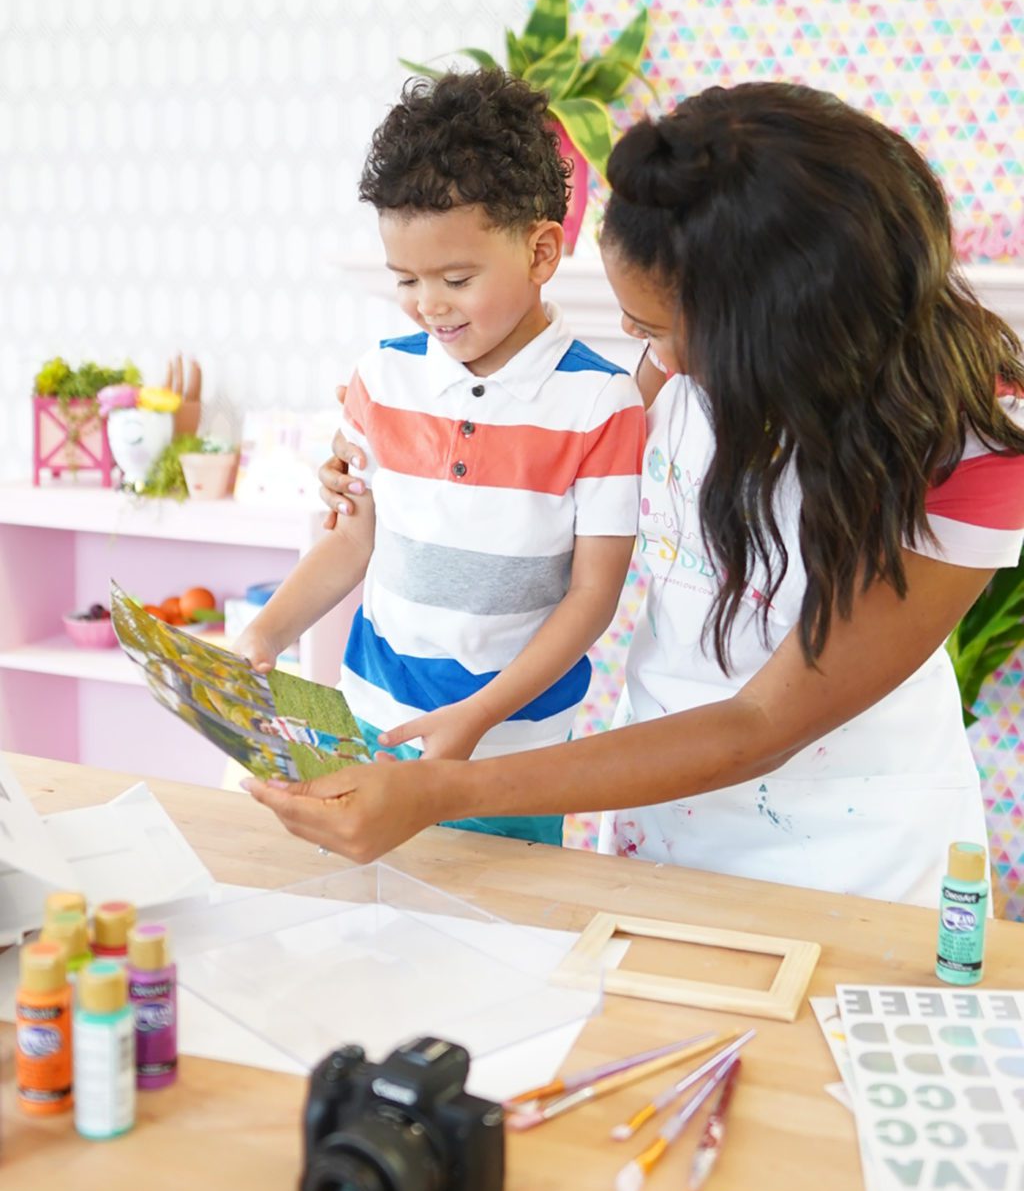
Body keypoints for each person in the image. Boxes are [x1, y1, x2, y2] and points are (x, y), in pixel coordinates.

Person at [243, 81, 1024, 906]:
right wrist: (377, 468)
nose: (648, 357)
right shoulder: (672, 367)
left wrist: (446, 789)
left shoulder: (973, 453)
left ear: (786, 324)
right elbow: (521, 478)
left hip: (858, 864)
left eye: (655, 331)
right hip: (662, 828)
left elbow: (761, 724)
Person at [236, 69, 646, 846]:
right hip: (370, 719)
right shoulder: (382, 377)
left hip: (512, 747)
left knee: (503, 908)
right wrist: (265, 634)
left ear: (541, 251)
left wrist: (478, 715)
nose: (428, 303)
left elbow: (593, 597)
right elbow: (350, 541)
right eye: (406, 280)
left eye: (457, 278)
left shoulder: (601, 404)